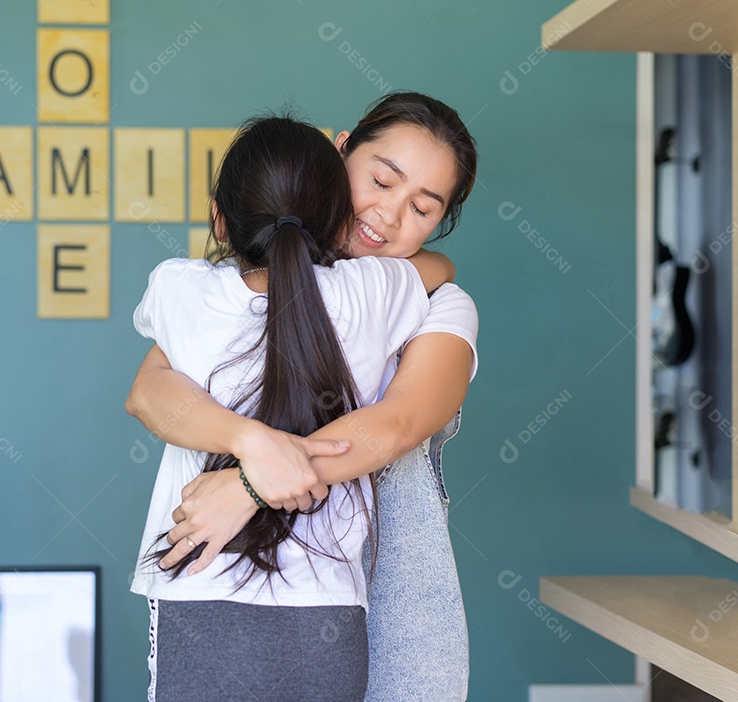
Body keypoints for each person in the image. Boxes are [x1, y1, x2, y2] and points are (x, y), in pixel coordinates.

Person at [127, 92, 479, 700]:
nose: (390, 216)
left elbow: (397, 425)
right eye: (380, 180)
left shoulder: (438, 307)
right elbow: (151, 392)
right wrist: (250, 446)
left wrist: (246, 486)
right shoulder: (242, 289)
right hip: (295, 604)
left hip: (390, 606)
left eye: (423, 208)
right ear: (336, 152)